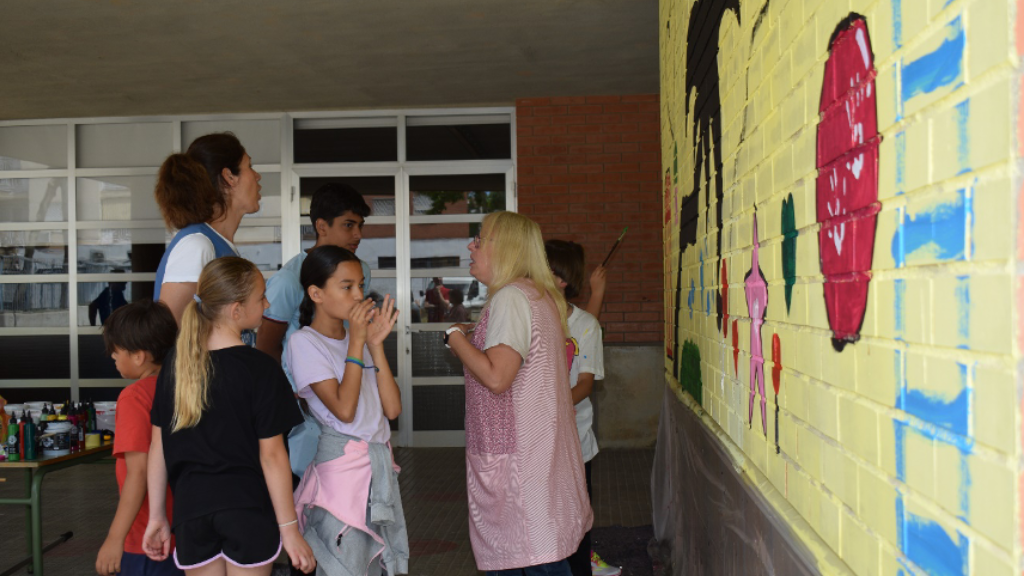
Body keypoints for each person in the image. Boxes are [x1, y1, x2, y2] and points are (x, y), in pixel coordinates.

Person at [142, 257, 316, 575]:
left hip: (191, 512)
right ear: (236, 310)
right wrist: (289, 529)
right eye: (261, 297)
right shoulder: (261, 369)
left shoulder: (174, 366)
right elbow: (273, 456)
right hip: (248, 510)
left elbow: (158, 448)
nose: (267, 303)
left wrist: (157, 516)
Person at [446, 211, 591, 575]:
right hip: (537, 460)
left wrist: (453, 337)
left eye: (481, 239)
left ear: (506, 248)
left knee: (530, 559)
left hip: (520, 472)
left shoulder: (511, 297)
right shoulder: (537, 295)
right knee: (545, 557)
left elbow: (497, 377)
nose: (471, 245)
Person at [288, 245, 409, 575]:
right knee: (345, 563)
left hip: (376, 464)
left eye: (360, 285)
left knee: (375, 565)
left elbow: (393, 409)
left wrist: (374, 345)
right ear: (316, 293)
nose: (359, 295)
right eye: (347, 286)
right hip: (342, 471)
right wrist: (357, 343)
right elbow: (344, 409)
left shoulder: (359, 338)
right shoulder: (304, 342)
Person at [255, 182, 372, 479]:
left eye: (359, 225)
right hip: (304, 408)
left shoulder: (362, 270)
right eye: (348, 225)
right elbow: (267, 346)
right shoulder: (287, 280)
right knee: (308, 484)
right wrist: (291, 396)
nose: (357, 235)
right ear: (321, 226)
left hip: (350, 387)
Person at [544, 240, 620, 576]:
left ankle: (580, 563)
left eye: (542, 266)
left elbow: (585, 384)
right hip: (538, 442)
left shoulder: (586, 324)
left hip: (577, 441)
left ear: (561, 278)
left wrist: (546, 409)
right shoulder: (527, 315)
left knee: (578, 513)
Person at [95, 300, 181, 576]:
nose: (113, 357)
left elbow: (139, 472)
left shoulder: (135, 397)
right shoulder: (185, 387)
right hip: (187, 530)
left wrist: (114, 538)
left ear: (138, 356)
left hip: (148, 537)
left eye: (116, 351)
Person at [153, 133, 262, 326]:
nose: (257, 176)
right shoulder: (197, 244)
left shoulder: (218, 243)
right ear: (229, 177)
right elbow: (168, 331)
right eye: (249, 167)